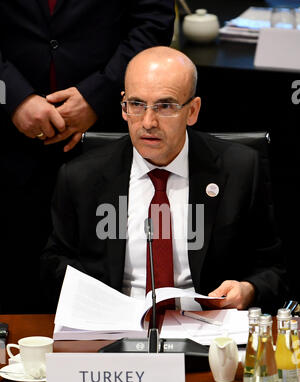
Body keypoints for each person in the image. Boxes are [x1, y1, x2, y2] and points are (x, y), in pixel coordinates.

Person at [41, 46, 288, 314]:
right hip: (115, 328)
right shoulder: (81, 177)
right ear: (123, 107)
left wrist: (248, 290)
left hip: (207, 327)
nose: (148, 122)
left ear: (192, 111)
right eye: (136, 104)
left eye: (165, 106)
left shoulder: (240, 170)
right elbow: (54, 263)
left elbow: (274, 270)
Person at [0, 1, 175, 313]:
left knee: (105, 291)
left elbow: (152, 22)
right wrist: (11, 95)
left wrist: (100, 95)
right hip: (8, 140)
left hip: (107, 132)